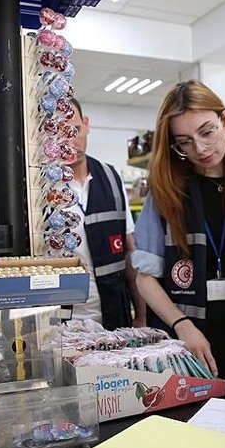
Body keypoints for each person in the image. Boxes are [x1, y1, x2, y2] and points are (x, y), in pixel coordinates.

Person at [133, 80, 225, 382]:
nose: (199, 149)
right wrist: (182, 324)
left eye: (206, 132)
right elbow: (145, 277)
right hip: (190, 344)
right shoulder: (166, 192)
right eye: (184, 141)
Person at [61, 97, 146, 329]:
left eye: (75, 130)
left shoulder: (110, 178)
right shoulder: (46, 190)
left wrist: (141, 313)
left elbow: (130, 250)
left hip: (114, 318)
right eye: (60, 133)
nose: (70, 141)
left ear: (86, 124)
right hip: (63, 323)